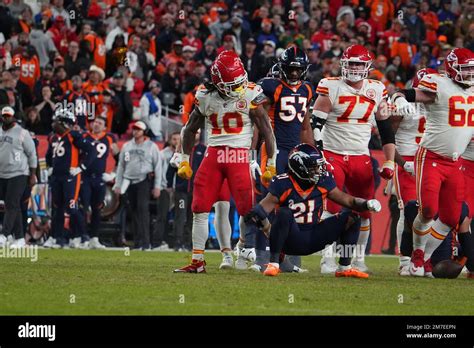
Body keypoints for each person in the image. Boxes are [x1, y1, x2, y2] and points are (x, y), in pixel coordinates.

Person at [174, 50, 276, 273]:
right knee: (199, 208)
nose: (239, 88)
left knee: (249, 211)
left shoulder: (250, 93)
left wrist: (271, 163)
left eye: (241, 82)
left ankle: (269, 251)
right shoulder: (205, 95)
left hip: (239, 156)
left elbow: (267, 130)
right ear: (219, 83)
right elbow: (189, 129)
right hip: (214, 155)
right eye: (233, 84)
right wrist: (183, 159)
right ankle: (198, 261)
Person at [311, 44, 396, 273]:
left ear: (367, 66)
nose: (355, 68)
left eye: (359, 64)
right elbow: (315, 124)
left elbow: (386, 129)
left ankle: (358, 258)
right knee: (330, 208)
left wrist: (389, 160)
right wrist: (319, 153)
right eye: (351, 63)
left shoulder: (377, 89)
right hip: (332, 154)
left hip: (361, 156)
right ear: (343, 65)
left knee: (365, 209)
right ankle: (327, 259)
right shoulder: (330, 86)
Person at [391, 47, 474, 277]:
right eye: (465, 70)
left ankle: (423, 258)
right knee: (428, 211)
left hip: (456, 162)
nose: (469, 74)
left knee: (449, 217)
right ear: (452, 69)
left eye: (471, 70)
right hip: (431, 157)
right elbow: (412, 94)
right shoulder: (439, 84)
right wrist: (399, 96)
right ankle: (416, 253)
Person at [244, 143, 381, 278]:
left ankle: (344, 267)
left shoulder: (323, 181)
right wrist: (262, 223)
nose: (318, 171)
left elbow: (349, 201)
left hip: (315, 237)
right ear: (299, 167)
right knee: (284, 213)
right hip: (290, 240)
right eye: (313, 168)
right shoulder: (283, 183)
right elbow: (260, 210)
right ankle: (273, 264)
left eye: (319, 167)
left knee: (352, 218)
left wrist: (366, 204)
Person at [390, 68, 437, 275]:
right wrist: (401, 163)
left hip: (430, 160)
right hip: (408, 159)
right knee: (407, 210)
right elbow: (387, 139)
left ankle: (425, 258)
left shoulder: (440, 105)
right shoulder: (404, 105)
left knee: (430, 211)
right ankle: (405, 258)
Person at [44, 108, 97, 248]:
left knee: (72, 207)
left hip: (70, 176)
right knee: (57, 209)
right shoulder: (54, 137)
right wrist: (50, 167)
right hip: (56, 177)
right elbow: (49, 155)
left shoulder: (73, 135)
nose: (54, 123)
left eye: (57, 121)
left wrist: (81, 167)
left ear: (64, 122)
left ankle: (83, 236)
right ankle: (58, 238)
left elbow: (92, 150)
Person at [113, 121, 162, 250]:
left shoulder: (152, 146)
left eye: (138, 129)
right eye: (134, 129)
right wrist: (118, 184)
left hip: (144, 181)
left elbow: (158, 167)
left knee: (143, 211)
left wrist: (157, 186)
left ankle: (146, 242)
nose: (135, 131)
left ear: (144, 131)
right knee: (132, 212)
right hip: (129, 181)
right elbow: (121, 166)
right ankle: (137, 242)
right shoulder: (127, 146)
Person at [0, 106, 37, 248]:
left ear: (14, 117)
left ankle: (4, 235)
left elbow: (32, 154)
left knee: (12, 203)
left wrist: (33, 175)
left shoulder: (22, 132)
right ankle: (20, 238)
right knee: (12, 205)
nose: (6, 118)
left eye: (9, 115)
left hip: (19, 173)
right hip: (2, 173)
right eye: (4, 115)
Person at [80, 116, 119, 249]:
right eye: (95, 122)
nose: (96, 125)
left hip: (99, 178)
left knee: (98, 208)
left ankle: (94, 238)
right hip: (84, 177)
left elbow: (119, 158)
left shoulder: (109, 138)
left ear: (104, 127)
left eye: (100, 123)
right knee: (83, 207)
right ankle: (82, 237)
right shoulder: (84, 136)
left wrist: (113, 173)